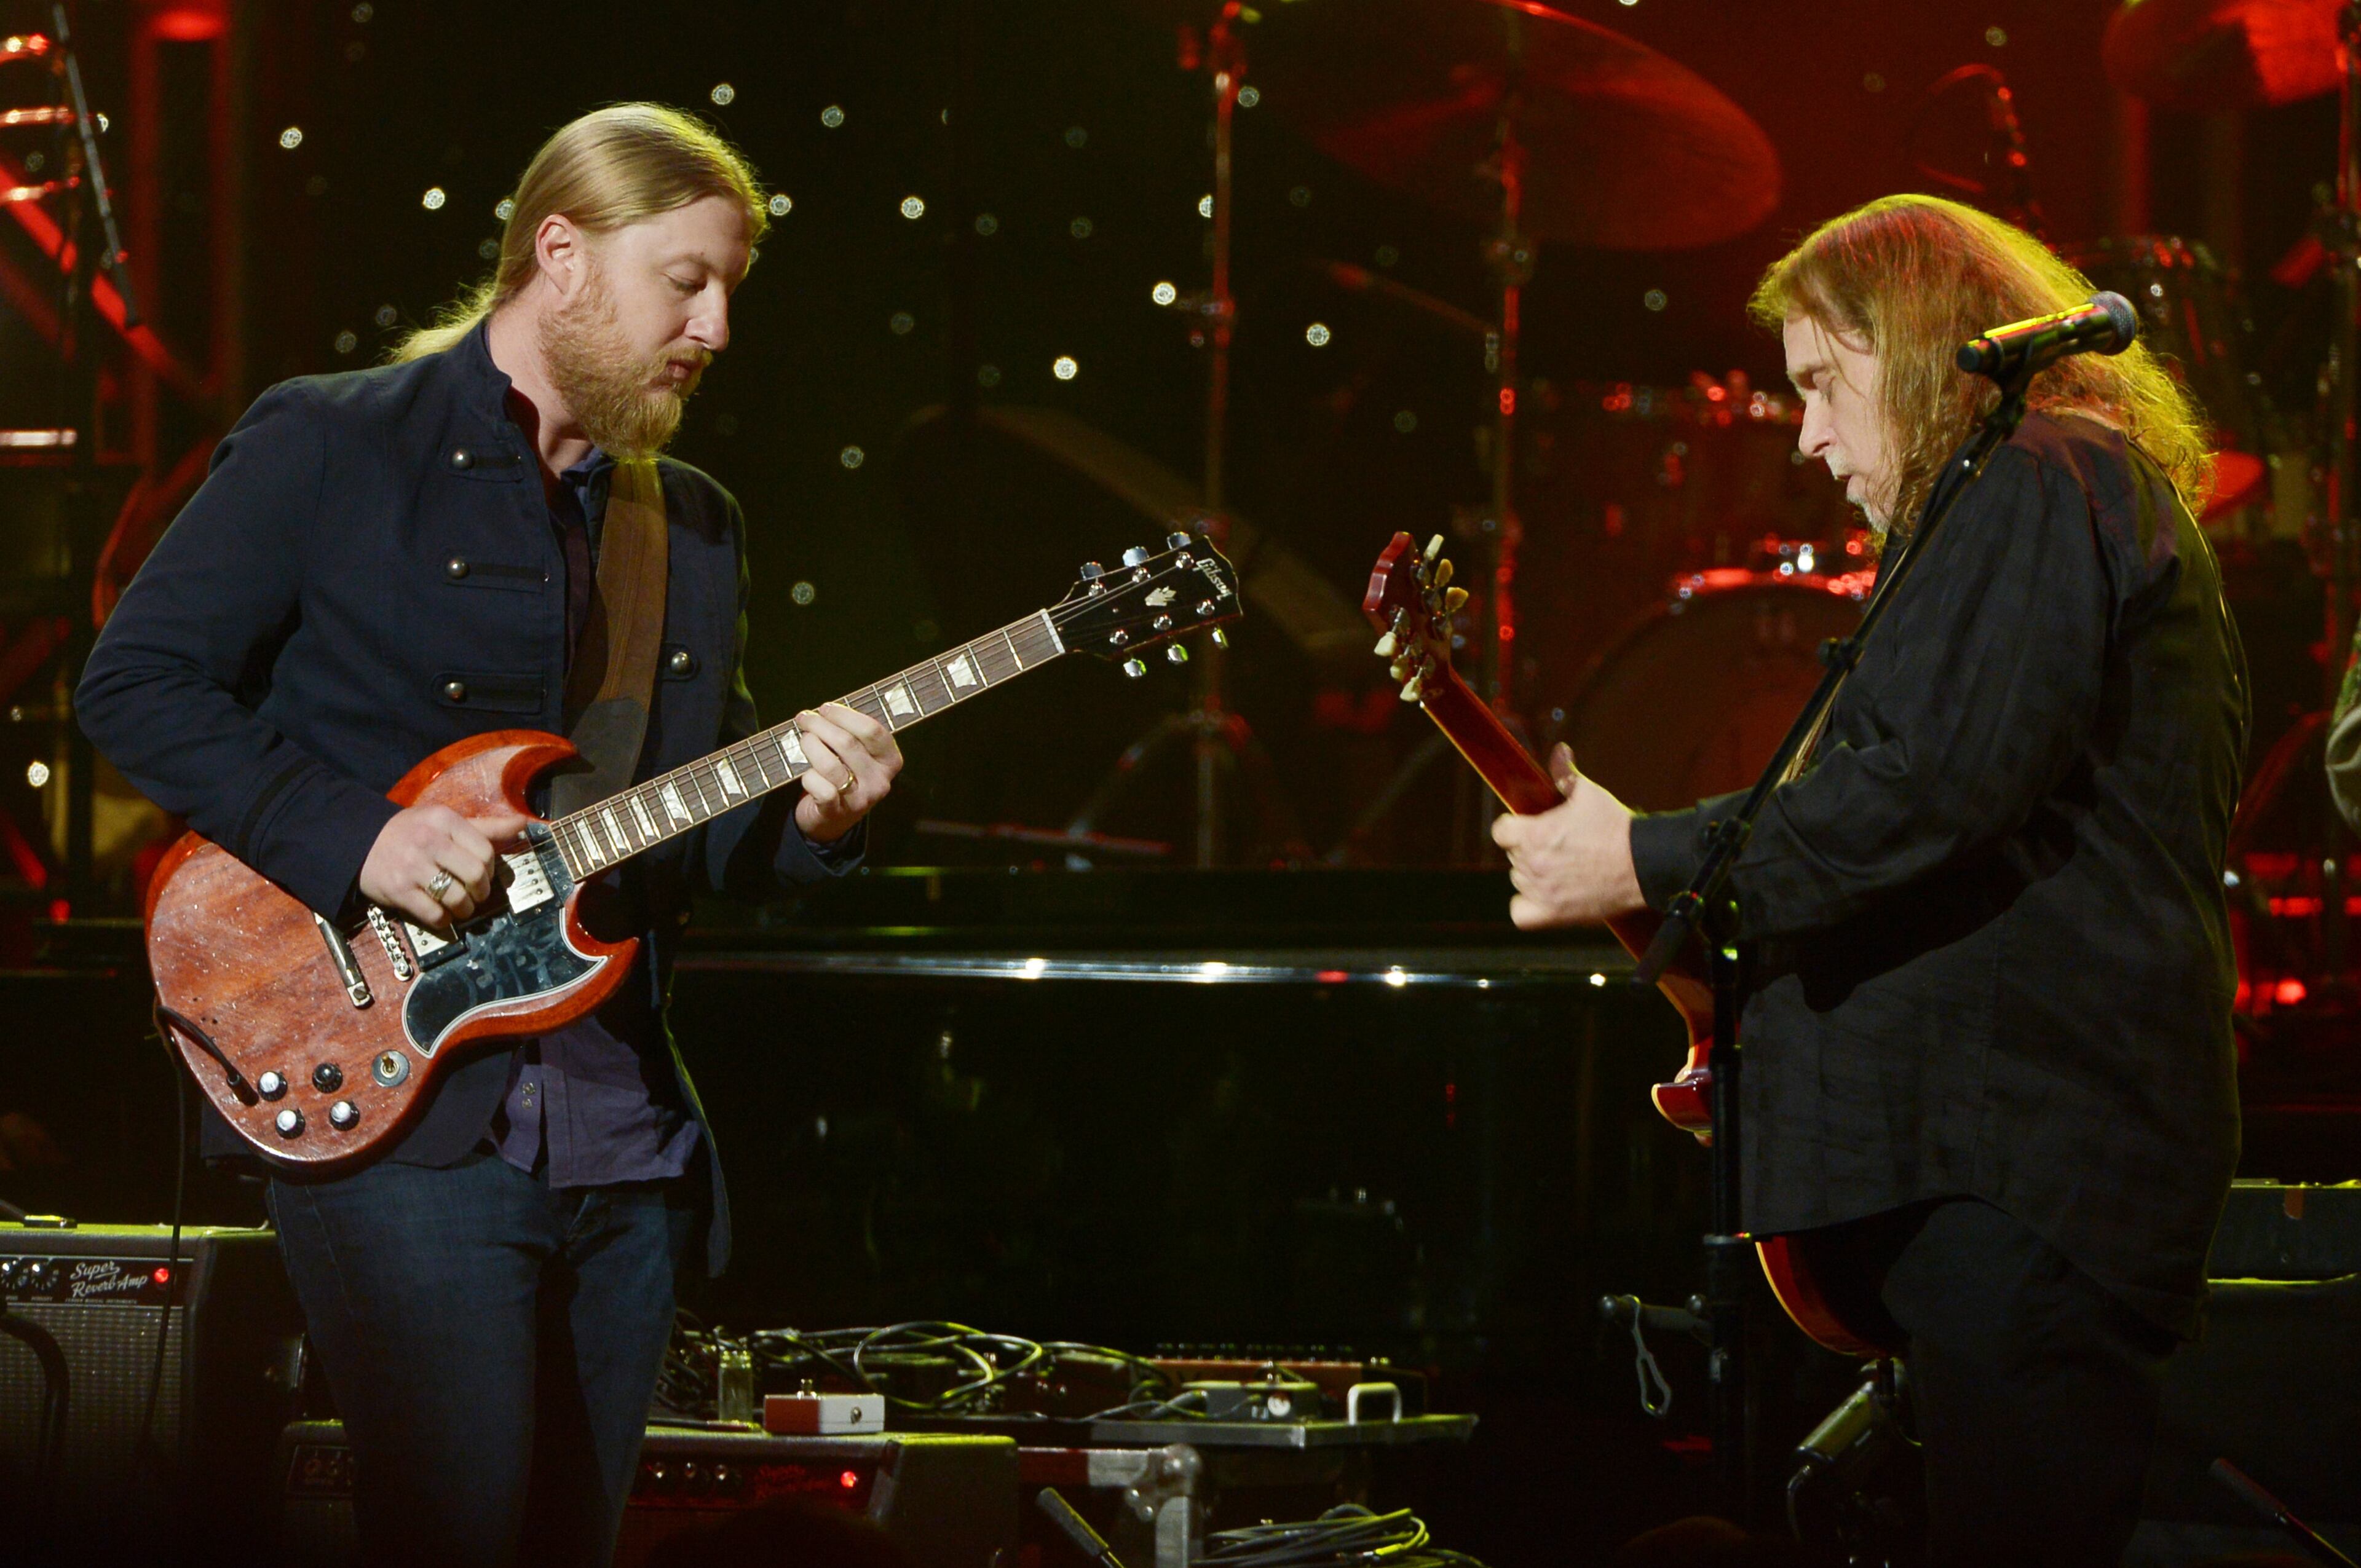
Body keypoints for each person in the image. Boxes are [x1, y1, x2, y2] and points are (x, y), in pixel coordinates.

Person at [76, 105, 901, 1567]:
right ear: (564, 256)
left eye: (730, 292)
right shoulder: (333, 440)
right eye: (686, 282)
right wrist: (361, 841)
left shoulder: (688, 525)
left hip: (621, 1134)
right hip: (402, 1116)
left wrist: (815, 820)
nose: (713, 328)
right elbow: (135, 684)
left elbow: (689, 838)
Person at [1493, 194, 2247, 1564]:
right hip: (2010, 1169)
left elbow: (1923, 789)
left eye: (1820, 385)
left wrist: (1642, 853)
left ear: (1911, 349)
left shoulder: (2035, 475)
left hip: (2029, 1170)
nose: (1807, 436)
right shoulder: (2033, 493)